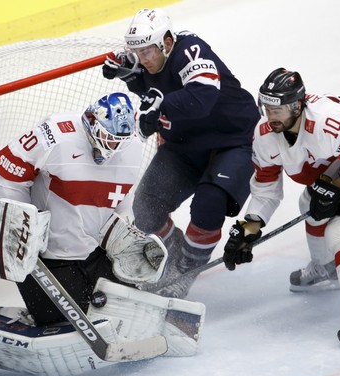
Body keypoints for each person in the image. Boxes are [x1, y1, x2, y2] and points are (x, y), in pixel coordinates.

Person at [0, 92, 207, 376]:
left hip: (94, 253)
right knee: (61, 323)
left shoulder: (130, 147)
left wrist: (123, 240)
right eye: (108, 138)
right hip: (46, 258)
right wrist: (22, 225)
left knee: (118, 316)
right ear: (92, 122)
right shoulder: (55, 133)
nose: (112, 147)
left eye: (119, 140)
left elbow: (119, 201)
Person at [223, 68, 340, 347]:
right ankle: (326, 267)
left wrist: (338, 185)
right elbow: (266, 185)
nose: (270, 117)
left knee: (339, 230)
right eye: (266, 108)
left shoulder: (328, 124)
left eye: (278, 110)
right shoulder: (265, 134)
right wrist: (250, 227)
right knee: (309, 202)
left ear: (297, 106)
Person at [102, 8, 260, 298]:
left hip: (233, 140)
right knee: (146, 207)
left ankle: (187, 266)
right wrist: (130, 76)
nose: (144, 58)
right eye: (137, 52)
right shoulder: (147, 63)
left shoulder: (191, 50)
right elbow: (154, 86)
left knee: (209, 202)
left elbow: (202, 97)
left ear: (167, 42)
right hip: (186, 144)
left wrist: (160, 105)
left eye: (148, 50)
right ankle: (173, 251)